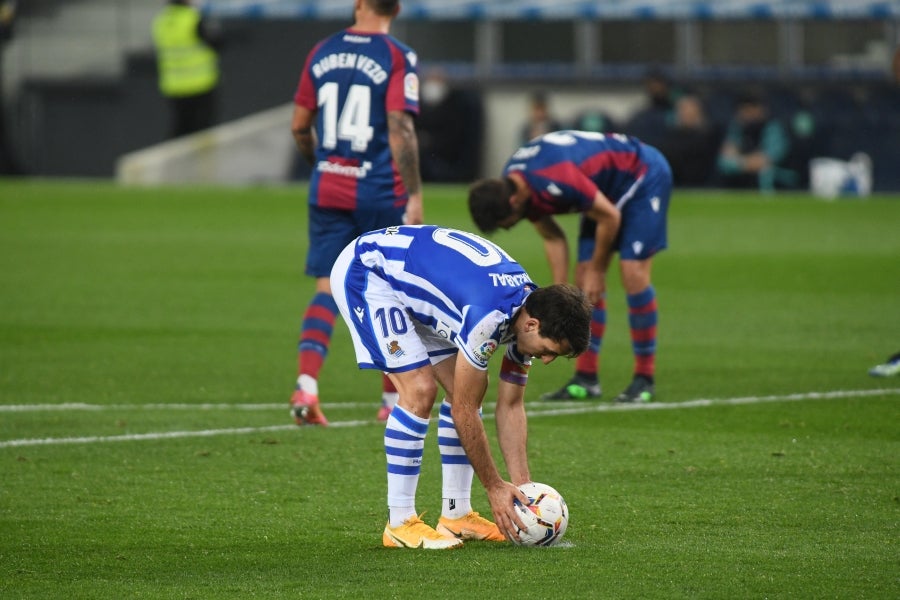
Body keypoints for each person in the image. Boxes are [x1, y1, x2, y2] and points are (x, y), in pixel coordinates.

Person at [330, 224, 592, 548]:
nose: (548, 360)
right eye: (551, 351)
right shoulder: (489, 318)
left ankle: (456, 515)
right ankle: (399, 523)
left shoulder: (529, 310)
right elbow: (463, 411)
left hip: (417, 290)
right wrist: (495, 487)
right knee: (421, 391)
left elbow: (511, 405)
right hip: (370, 273)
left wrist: (526, 495)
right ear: (532, 325)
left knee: (468, 391)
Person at [289, 0, 424, 426]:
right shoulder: (398, 56)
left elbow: (298, 125)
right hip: (380, 189)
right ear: (397, 8)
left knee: (327, 287)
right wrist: (415, 194)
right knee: (389, 291)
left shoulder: (322, 50)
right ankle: (390, 400)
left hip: (328, 184)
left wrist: (322, 163)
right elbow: (400, 127)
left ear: (358, 3)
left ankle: (306, 387)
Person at [468, 130, 672, 404]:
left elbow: (609, 217)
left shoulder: (555, 177)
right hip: (602, 192)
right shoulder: (515, 182)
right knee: (581, 284)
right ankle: (586, 378)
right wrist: (559, 291)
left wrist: (599, 270)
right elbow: (553, 237)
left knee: (632, 273)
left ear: (513, 202)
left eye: (510, 222)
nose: (512, 226)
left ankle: (644, 379)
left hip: (641, 175)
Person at [152, 0, 222, 139]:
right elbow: (217, 44)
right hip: (200, 85)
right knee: (202, 133)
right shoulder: (194, 19)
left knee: (181, 129)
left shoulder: (161, 21)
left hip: (174, 86)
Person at [715, 91, 793, 192]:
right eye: (744, 111)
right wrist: (747, 163)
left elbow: (769, 158)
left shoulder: (773, 128)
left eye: (751, 110)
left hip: (775, 180)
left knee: (766, 172)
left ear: (760, 110)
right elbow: (724, 163)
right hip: (741, 180)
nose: (747, 115)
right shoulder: (737, 129)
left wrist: (740, 160)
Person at [417, 67, 484, 182]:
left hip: (449, 165)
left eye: (437, 80)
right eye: (431, 80)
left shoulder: (458, 107)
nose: (433, 86)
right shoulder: (419, 109)